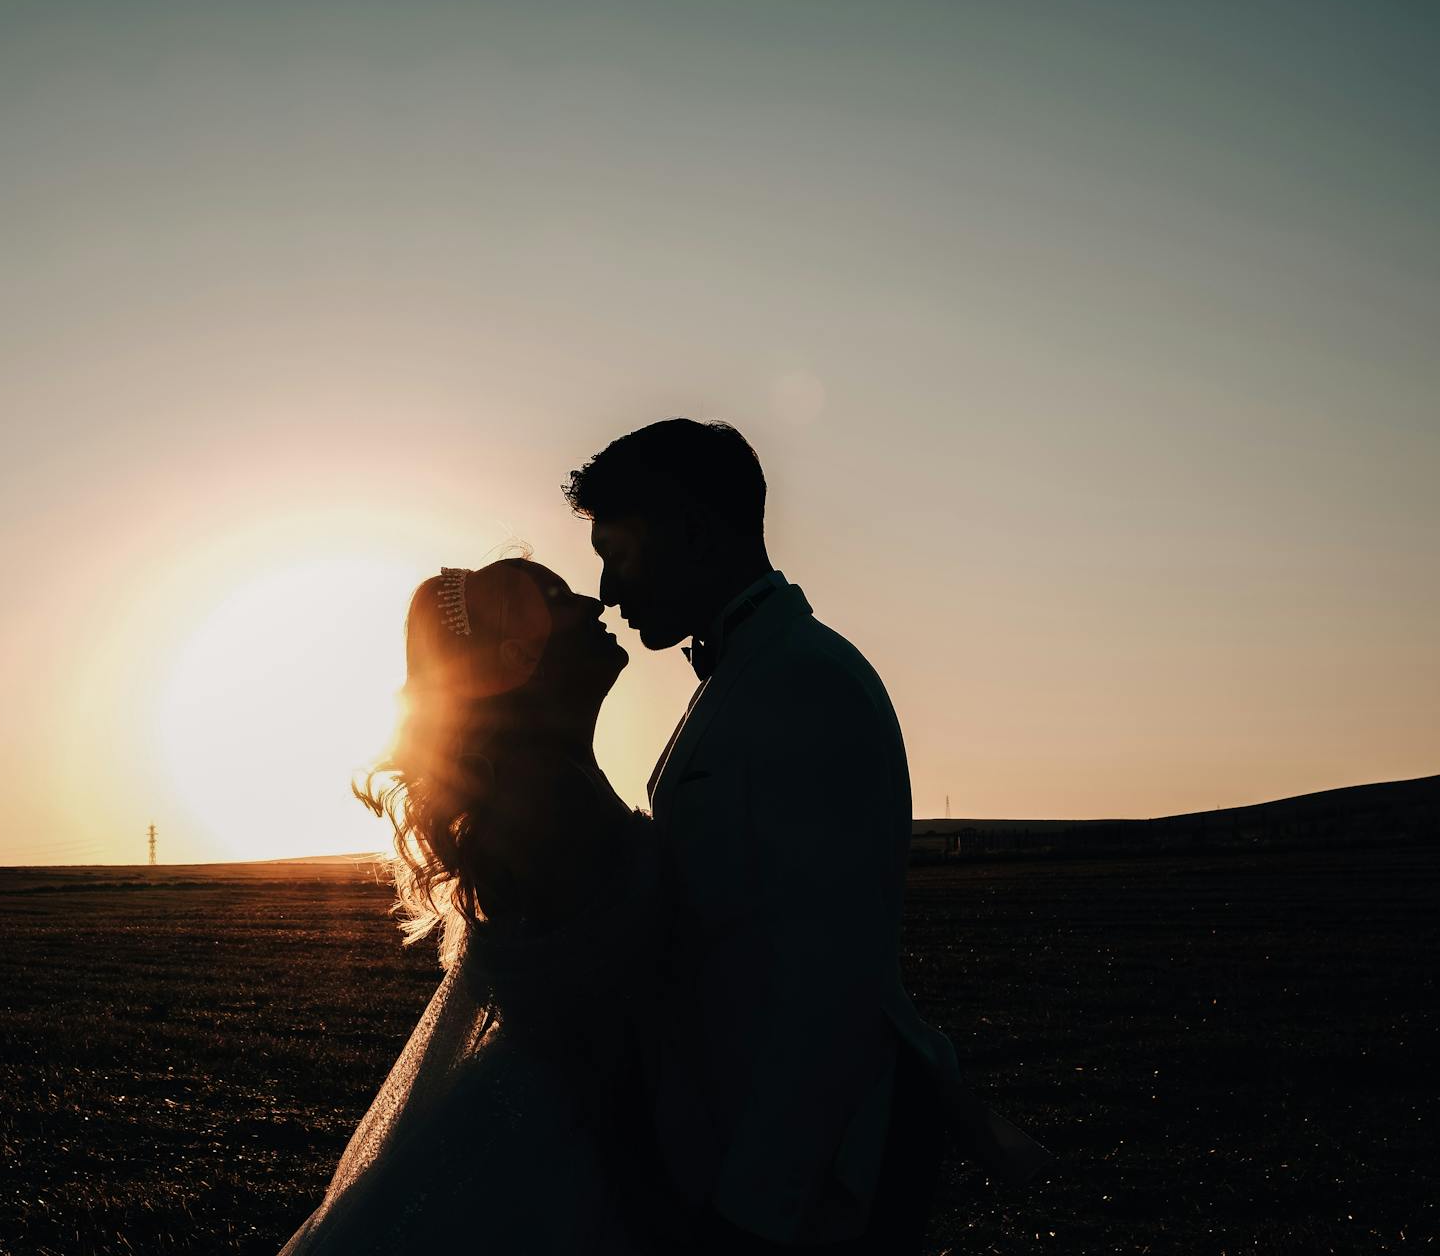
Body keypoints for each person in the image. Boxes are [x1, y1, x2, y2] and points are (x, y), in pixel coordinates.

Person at [565, 419, 1049, 1254]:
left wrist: (753, 1214)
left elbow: (828, 986)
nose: (605, 589)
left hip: (820, 1186)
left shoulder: (806, 686)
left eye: (617, 550)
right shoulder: (749, 678)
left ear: (692, 531)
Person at [278, 558, 678, 1255]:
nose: (591, 602)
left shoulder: (558, 781)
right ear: (517, 658)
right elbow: (582, 1029)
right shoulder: (545, 803)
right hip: (568, 1150)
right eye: (555, 599)